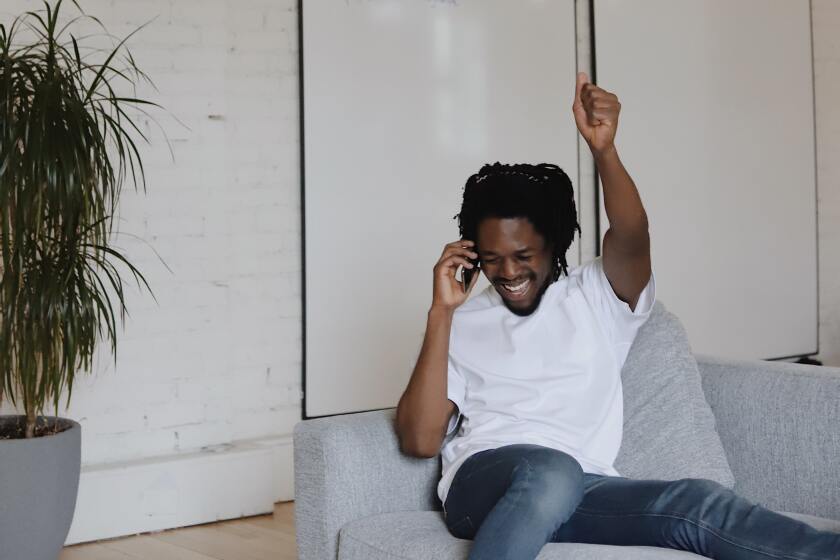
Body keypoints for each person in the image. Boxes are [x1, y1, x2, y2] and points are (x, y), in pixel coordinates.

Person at [395, 72, 840, 560]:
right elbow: (420, 440)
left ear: (555, 245)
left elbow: (632, 234)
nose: (508, 272)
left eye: (525, 255)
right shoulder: (462, 321)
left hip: (583, 486)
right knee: (551, 470)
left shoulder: (594, 296)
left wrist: (605, 151)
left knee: (697, 501)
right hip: (483, 486)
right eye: (493, 257)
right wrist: (441, 313)